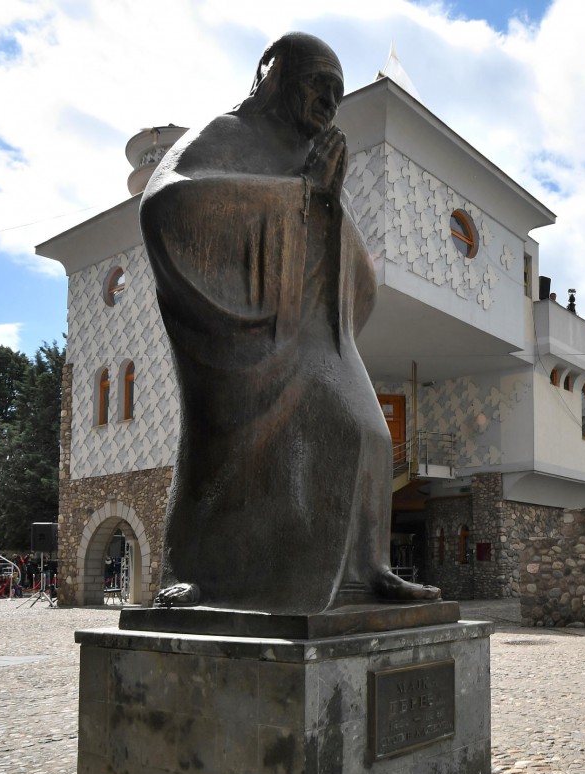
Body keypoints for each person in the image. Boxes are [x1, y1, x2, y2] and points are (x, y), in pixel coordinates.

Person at [140, 31, 438, 613]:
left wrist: (324, 199)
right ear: (274, 78)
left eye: (337, 92)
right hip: (239, 345)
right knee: (250, 454)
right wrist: (302, 195)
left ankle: (364, 569)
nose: (329, 102)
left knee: (371, 433)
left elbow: (355, 275)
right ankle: (208, 576)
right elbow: (168, 204)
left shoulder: (309, 157)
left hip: (313, 336)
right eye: (317, 85)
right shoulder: (227, 135)